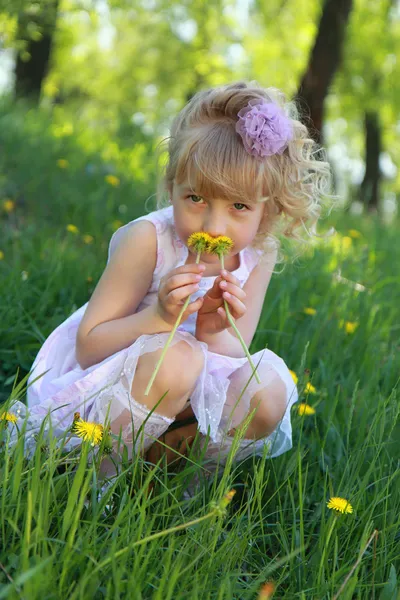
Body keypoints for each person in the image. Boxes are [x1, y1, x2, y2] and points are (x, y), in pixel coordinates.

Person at [7, 81, 332, 480]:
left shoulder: (260, 253)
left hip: (184, 402)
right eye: (196, 199)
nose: (214, 226)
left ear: (267, 212)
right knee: (177, 357)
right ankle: (99, 484)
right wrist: (160, 317)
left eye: (239, 206)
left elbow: (236, 349)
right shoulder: (149, 241)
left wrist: (214, 331)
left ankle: (184, 486)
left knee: (265, 389)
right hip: (111, 390)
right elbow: (90, 346)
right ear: (171, 186)